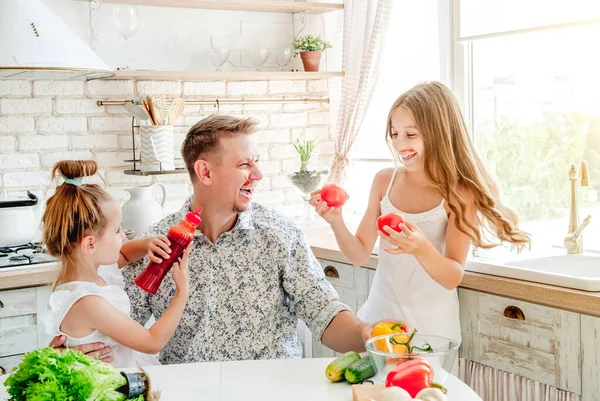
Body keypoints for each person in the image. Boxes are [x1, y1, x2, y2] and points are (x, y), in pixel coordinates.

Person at [52, 115, 392, 365]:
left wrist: (364, 333)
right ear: (205, 172)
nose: (257, 175)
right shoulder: (155, 246)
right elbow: (107, 322)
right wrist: (67, 351)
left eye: (256, 162)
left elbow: (325, 313)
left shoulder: (280, 235)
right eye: (245, 164)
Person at [309, 81, 530, 341]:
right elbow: (358, 255)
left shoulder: (459, 194)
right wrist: (336, 222)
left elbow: (452, 277)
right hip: (379, 321)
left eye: (411, 134)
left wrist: (421, 248)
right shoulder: (384, 181)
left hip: (432, 331)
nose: (400, 144)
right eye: (394, 134)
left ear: (438, 133)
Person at [42, 160, 192, 368]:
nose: (123, 236)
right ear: (89, 244)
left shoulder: (92, 270)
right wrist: (182, 292)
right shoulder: (88, 302)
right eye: (117, 230)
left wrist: (149, 243)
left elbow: (123, 253)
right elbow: (152, 341)